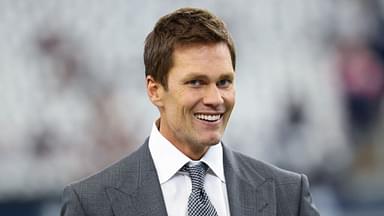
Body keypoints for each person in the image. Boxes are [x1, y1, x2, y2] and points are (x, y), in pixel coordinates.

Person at [61, 7, 320, 216]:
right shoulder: (90, 205)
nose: (215, 99)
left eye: (224, 82)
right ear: (155, 90)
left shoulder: (287, 195)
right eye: (196, 82)